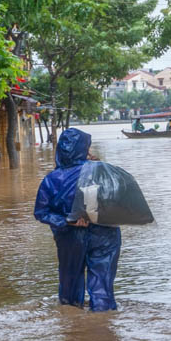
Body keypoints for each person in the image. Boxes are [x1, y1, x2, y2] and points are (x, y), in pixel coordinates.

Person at [33, 128, 120, 311]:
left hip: (70, 236)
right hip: (105, 234)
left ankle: (71, 320)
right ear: (84, 149)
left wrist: (66, 221)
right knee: (102, 285)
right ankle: (104, 321)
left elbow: (41, 212)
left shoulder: (51, 179)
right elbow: (118, 201)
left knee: (70, 286)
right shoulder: (101, 171)